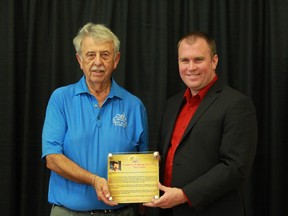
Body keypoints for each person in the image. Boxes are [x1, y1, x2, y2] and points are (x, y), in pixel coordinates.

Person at [144, 31, 257, 216]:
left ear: (214, 61)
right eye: (184, 60)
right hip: (168, 210)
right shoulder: (171, 105)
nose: (191, 67)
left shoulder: (236, 104)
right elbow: (164, 157)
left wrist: (184, 195)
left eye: (198, 60)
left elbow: (235, 167)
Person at [42, 22, 148, 216]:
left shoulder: (134, 106)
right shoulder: (61, 99)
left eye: (105, 55)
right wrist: (94, 179)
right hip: (68, 212)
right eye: (91, 55)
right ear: (79, 60)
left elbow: (142, 166)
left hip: (120, 212)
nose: (98, 62)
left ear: (116, 60)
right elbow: (52, 159)